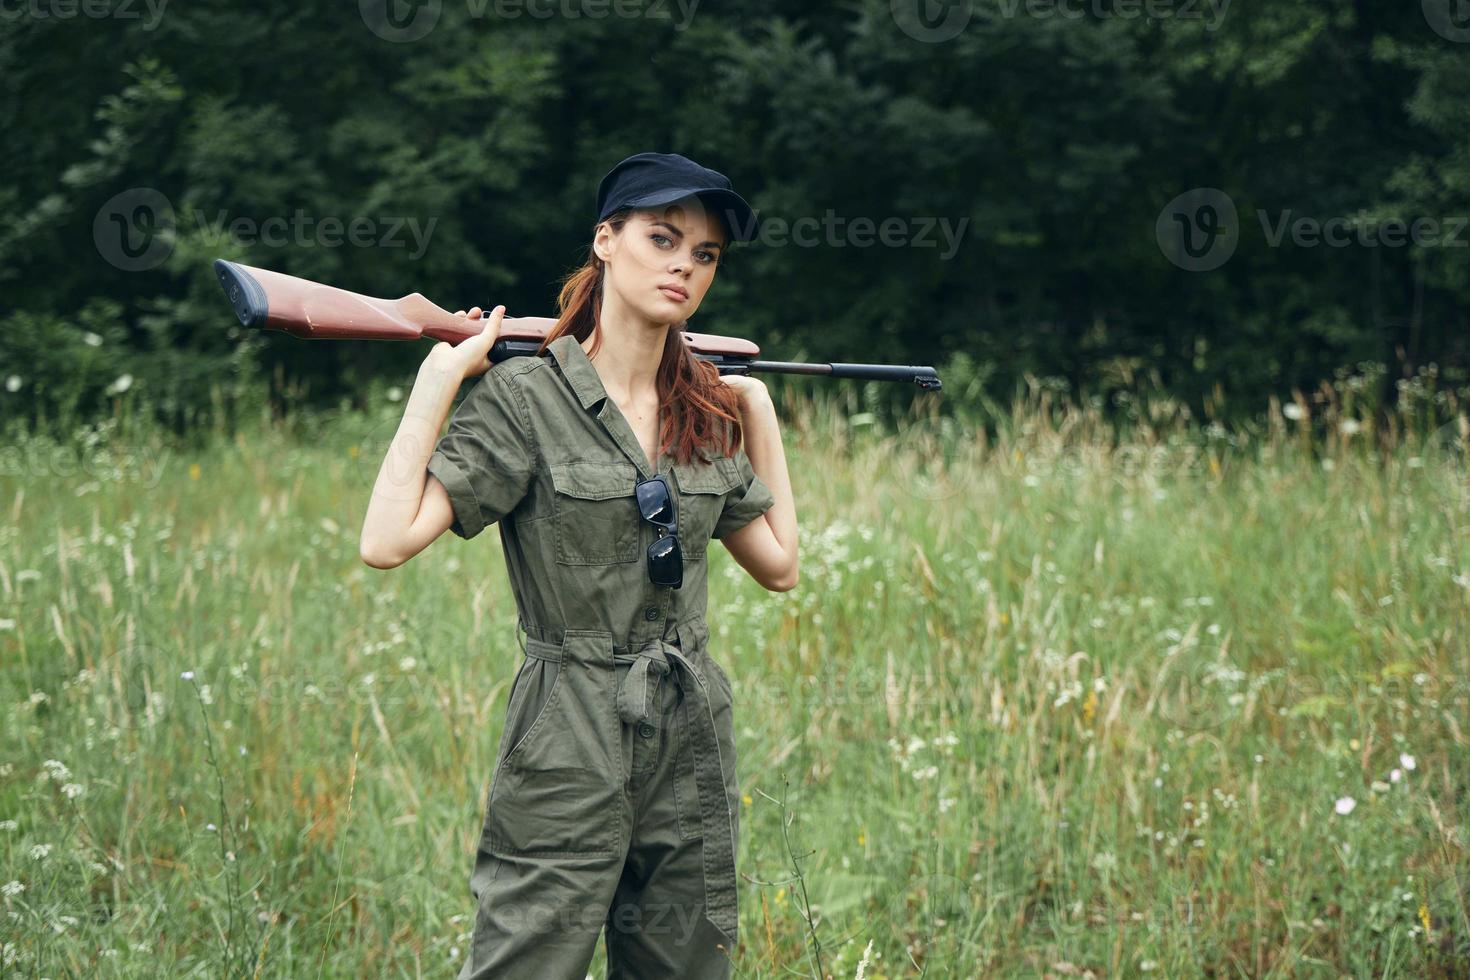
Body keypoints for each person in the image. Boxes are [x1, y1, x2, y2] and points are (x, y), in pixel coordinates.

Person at [358, 151, 799, 979]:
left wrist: (759, 413)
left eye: (704, 254)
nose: (684, 265)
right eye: (663, 238)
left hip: (690, 722)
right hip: (569, 728)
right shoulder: (526, 400)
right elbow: (385, 541)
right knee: (528, 962)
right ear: (605, 240)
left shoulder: (702, 406)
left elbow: (779, 564)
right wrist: (439, 376)